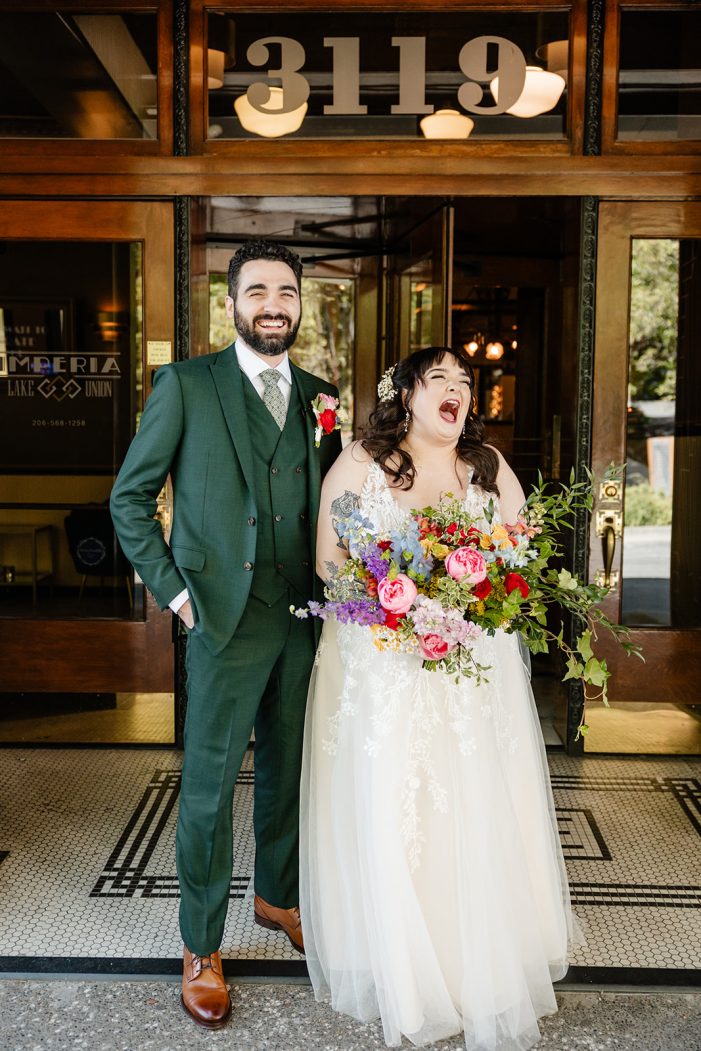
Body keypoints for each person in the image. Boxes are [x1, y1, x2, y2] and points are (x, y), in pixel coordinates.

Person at [300, 346, 580, 1051]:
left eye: (465, 381)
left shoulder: (485, 467)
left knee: (469, 800)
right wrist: (390, 603)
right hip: (384, 668)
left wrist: (482, 598)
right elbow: (327, 556)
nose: (457, 390)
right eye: (441, 379)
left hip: (466, 669)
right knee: (395, 798)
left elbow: (522, 551)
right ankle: (399, 953)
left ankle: (471, 957)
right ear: (407, 394)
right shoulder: (365, 460)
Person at [110, 240, 342, 1029]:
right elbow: (129, 500)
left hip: (303, 614)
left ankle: (276, 895)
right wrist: (175, 595)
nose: (272, 303)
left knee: (289, 768)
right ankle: (200, 943)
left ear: (300, 301)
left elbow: (335, 509)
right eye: (256, 291)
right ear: (231, 303)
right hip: (219, 617)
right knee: (208, 786)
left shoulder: (321, 397)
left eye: (285, 290)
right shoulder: (185, 384)